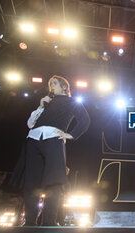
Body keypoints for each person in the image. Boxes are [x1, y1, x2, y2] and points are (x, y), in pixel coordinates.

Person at [23, 75, 90, 226]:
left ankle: (49, 221)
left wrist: (71, 134)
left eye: (54, 83)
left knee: (54, 181)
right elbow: (29, 124)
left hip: (53, 139)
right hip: (34, 139)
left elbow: (85, 120)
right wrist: (40, 106)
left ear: (64, 87)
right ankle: (29, 222)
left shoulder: (71, 101)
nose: (51, 86)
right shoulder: (46, 102)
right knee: (31, 182)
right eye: (49, 84)